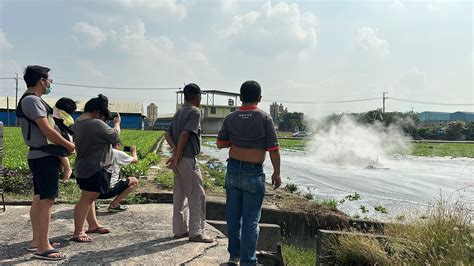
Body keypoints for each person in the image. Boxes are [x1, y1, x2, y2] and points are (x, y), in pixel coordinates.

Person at [217, 80, 282, 265]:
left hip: (233, 170)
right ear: (259, 98)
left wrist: (236, 141)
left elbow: (220, 144)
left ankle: (233, 256)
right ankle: (248, 261)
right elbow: (274, 149)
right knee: (251, 220)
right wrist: (276, 173)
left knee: (233, 217)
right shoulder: (265, 118)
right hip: (253, 173)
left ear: (240, 97)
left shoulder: (230, 118)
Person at [16, 65, 75, 261]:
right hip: (44, 156)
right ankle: (43, 247)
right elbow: (47, 130)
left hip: (39, 155)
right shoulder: (33, 100)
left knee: (40, 198)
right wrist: (69, 146)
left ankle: (38, 241)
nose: (50, 83)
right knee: (47, 201)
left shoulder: (32, 100)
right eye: (49, 79)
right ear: (41, 80)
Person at [165, 83, 213, 243]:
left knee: (180, 194)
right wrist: (177, 154)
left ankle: (179, 230)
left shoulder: (179, 112)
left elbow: (168, 134)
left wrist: (174, 152)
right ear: (195, 96)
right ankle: (196, 232)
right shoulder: (194, 111)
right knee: (197, 196)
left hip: (178, 160)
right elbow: (185, 134)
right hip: (187, 159)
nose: (201, 99)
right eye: (200, 96)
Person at [72, 94, 120, 242]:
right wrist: (117, 123)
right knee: (87, 199)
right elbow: (115, 137)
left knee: (89, 198)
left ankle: (92, 225)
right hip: (95, 167)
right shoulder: (95, 123)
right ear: (98, 112)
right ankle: (78, 232)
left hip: (84, 166)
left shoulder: (78, 123)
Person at [97, 144, 139, 212]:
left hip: (91, 192)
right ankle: (114, 204)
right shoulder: (117, 153)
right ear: (117, 144)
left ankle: (91, 203)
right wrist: (133, 151)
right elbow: (135, 160)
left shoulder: (95, 152)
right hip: (108, 192)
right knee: (134, 181)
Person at [52, 97, 76, 182]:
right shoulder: (66, 118)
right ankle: (64, 172)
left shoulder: (55, 114)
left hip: (62, 142)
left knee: (61, 155)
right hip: (65, 142)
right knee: (62, 156)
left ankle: (67, 171)